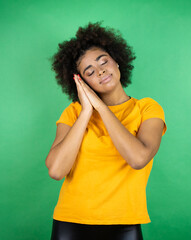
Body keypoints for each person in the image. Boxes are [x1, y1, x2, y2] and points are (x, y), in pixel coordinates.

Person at [46, 22, 167, 240]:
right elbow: (56, 170)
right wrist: (85, 113)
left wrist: (101, 107)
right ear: (82, 82)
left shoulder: (147, 108)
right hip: (70, 224)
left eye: (104, 62)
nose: (100, 70)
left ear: (118, 62)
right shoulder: (73, 113)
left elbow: (138, 158)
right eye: (89, 71)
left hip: (124, 225)